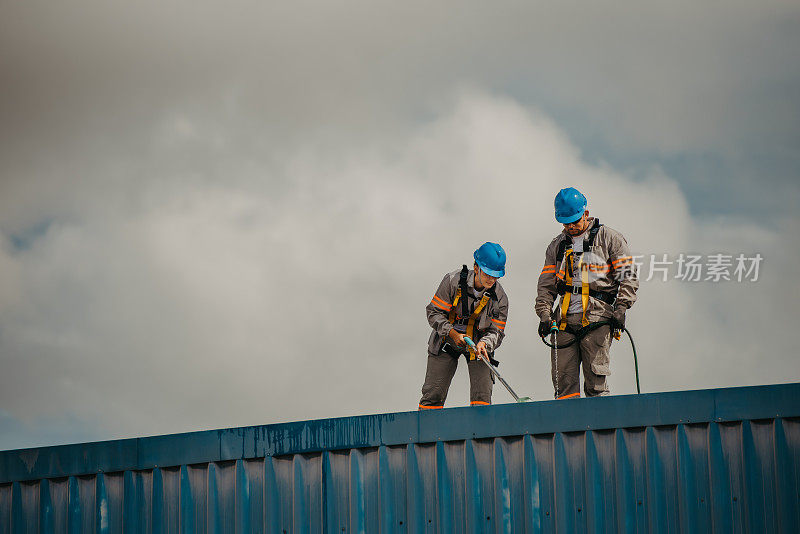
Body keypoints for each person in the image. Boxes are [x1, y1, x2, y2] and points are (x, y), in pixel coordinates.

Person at [535, 187, 639, 398]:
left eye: (574, 221)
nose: (571, 227)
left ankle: (600, 430)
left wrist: (621, 307)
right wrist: (545, 314)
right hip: (563, 321)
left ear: (586, 213)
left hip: (597, 318)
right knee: (563, 385)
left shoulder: (609, 239)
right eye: (566, 223)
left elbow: (628, 276)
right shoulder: (557, 246)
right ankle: (567, 429)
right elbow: (546, 285)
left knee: (596, 383)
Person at [418, 242, 509, 409]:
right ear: (476, 266)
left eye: (495, 275)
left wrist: (485, 344)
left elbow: (497, 331)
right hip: (446, 340)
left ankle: (480, 433)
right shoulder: (452, 281)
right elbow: (434, 313)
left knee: (482, 398)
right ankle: (427, 433)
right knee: (433, 395)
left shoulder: (500, 298)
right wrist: (452, 333)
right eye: (487, 273)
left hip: (478, 346)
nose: (491, 279)